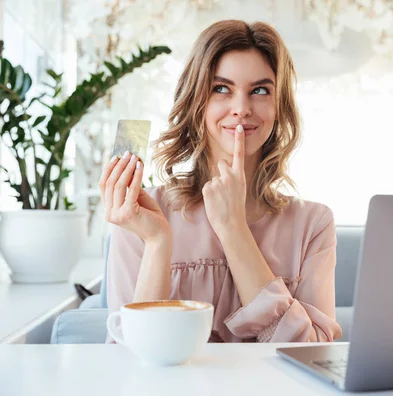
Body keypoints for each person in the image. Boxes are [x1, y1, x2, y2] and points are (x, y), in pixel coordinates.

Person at [98, 19, 342, 343]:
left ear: (279, 106)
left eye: (259, 90)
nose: (241, 109)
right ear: (196, 102)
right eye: (221, 88)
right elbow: (131, 356)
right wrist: (157, 242)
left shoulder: (314, 224)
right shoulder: (143, 214)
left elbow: (311, 356)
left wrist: (234, 230)